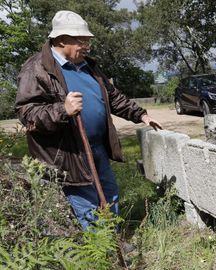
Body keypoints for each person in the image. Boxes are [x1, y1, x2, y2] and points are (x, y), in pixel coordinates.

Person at [15, 10, 161, 230]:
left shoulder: (89, 66)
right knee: (88, 204)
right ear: (62, 39)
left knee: (109, 193)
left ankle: (112, 242)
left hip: (97, 147)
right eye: (82, 40)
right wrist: (62, 110)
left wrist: (140, 114)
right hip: (69, 153)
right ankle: (101, 254)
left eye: (88, 40)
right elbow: (27, 113)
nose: (87, 45)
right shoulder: (37, 69)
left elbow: (112, 97)